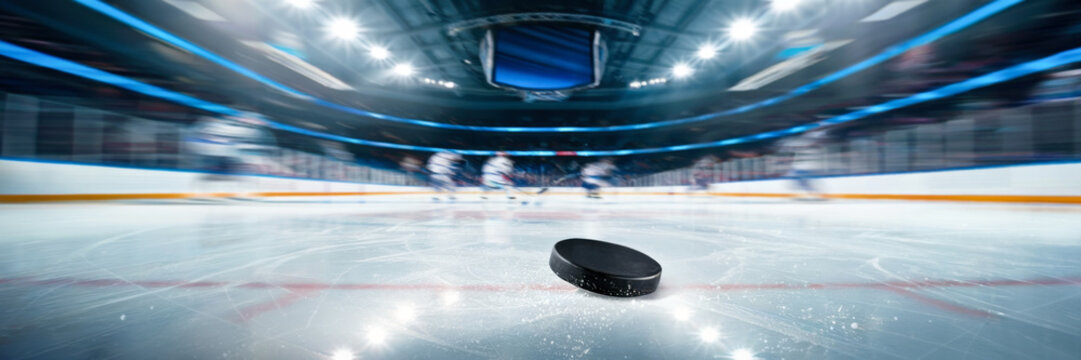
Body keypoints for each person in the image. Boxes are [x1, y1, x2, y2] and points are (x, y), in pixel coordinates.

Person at [777, 130, 827, 200]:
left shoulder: (811, 147)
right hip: (801, 168)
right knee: (800, 181)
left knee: (803, 182)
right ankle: (816, 194)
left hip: (804, 168)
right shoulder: (807, 145)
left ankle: (818, 194)